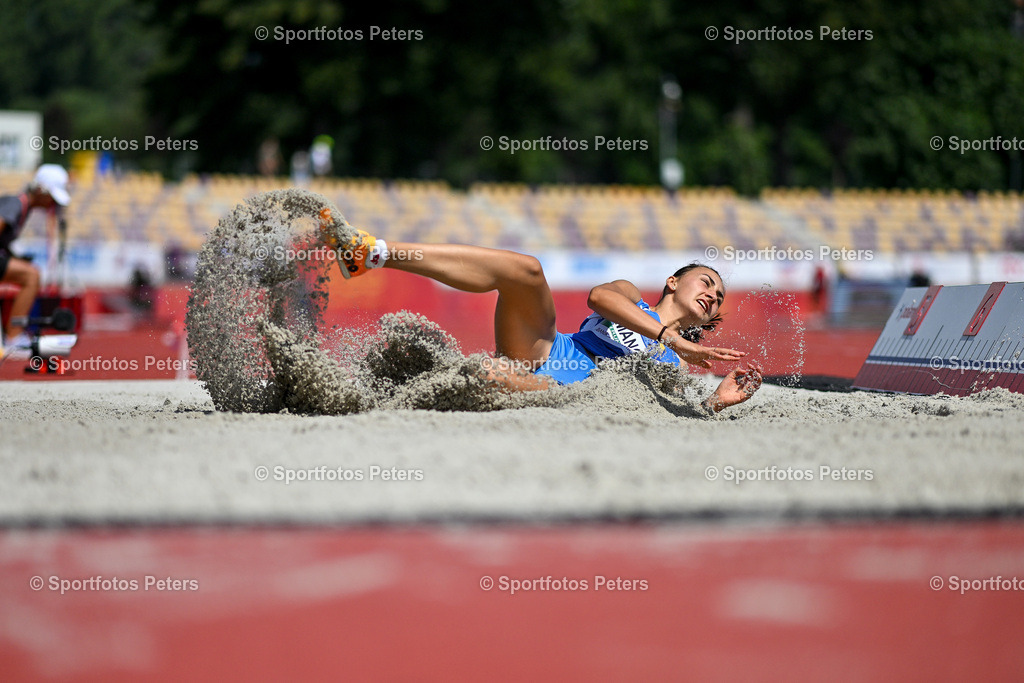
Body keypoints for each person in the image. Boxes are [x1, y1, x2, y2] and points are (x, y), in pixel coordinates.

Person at [320, 218, 763, 414]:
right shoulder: (632, 297)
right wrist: (668, 334)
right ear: (672, 282)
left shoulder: (678, 363)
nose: (712, 294)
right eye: (705, 282)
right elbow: (598, 299)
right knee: (526, 269)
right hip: (545, 349)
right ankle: (372, 253)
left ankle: (384, 394)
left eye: (719, 296)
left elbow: (669, 415)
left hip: (556, 391)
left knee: (488, 372)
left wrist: (715, 402)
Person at [0, 164, 71, 358]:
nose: (52, 204)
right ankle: (13, 338)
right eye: (52, 197)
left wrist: (13, 257)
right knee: (32, 275)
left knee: (28, 271)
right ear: (41, 190)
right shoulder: (15, 204)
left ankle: (12, 335)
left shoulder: (22, 207)